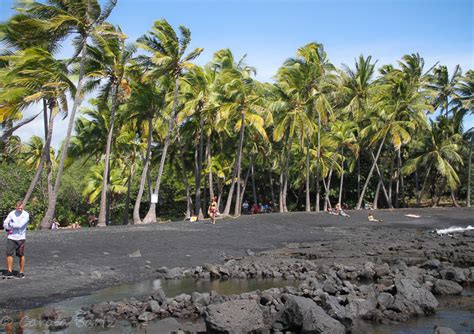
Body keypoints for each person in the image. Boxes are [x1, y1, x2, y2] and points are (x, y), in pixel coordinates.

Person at [3, 201, 29, 279]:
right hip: (11, 237)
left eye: (22, 208)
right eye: (19, 208)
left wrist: (10, 225)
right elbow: (5, 223)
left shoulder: (26, 214)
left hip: (20, 237)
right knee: (9, 253)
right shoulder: (12, 213)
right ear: (16, 207)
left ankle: (21, 272)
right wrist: (8, 228)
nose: (20, 209)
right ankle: (9, 271)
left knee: (20, 254)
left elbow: (20, 225)